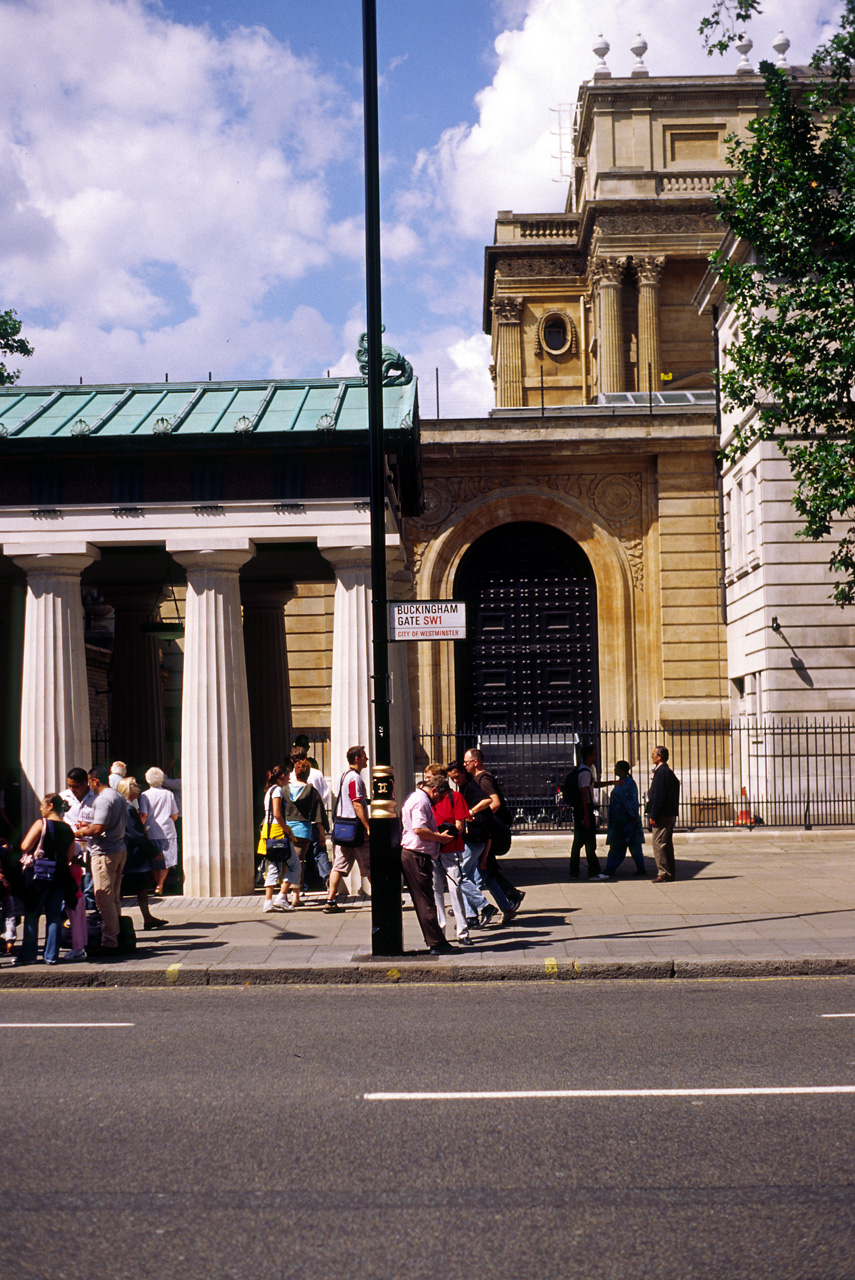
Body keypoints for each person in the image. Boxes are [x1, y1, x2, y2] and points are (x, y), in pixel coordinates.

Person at [461, 749, 523, 925]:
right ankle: (507, 903)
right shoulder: (476, 780)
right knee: (484, 871)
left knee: (469, 874)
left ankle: (474, 912)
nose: (465, 765)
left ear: (476, 762)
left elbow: (494, 802)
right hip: (484, 832)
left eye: (467, 762)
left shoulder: (483, 779)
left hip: (484, 832)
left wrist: (480, 818)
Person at [14, 794, 76, 966]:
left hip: (39, 875)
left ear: (50, 806)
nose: (40, 809)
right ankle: (51, 955)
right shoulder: (69, 829)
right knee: (54, 916)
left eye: (42, 806)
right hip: (60, 875)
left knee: (32, 913)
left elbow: (25, 846)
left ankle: (28, 954)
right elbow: (69, 857)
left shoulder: (41, 823)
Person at [74, 766, 127, 954]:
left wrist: (80, 831)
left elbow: (98, 830)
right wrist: (89, 826)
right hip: (119, 849)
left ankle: (109, 941)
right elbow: (105, 824)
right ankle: (117, 935)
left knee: (103, 899)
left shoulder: (103, 799)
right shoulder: (118, 796)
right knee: (114, 897)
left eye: (89, 782)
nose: (89, 786)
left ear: (95, 780)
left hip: (104, 852)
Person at [400, 776, 456, 953]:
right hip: (417, 855)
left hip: (416, 854)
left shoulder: (416, 797)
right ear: (434, 791)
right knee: (426, 901)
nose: (439, 802)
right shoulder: (421, 801)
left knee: (425, 900)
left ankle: (437, 940)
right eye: (440, 797)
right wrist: (440, 838)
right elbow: (419, 829)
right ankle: (436, 943)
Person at [424, 766, 475, 947]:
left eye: (430, 777)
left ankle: (462, 930)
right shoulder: (426, 799)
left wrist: (448, 835)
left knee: (455, 888)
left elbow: (460, 824)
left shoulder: (455, 797)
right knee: (436, 890)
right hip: (432, 849)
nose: (427, 780)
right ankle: (440, 929)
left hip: (451, 849)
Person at [323, 745, 371, 914]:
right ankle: (384, 897)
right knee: (370, 864)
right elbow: (356, 803)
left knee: (338, 866)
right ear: (357, 758)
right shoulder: (355, 779)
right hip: (355, 828)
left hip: (343, 829)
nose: (366, 759)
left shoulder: (343, 776)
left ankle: (330, 900)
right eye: (364, 756)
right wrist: (367, 826)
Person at [116, 777, 167, 930]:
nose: (138, 788)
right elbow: (137, 834)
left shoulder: (124, 806)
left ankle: (147, 917)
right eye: (134, 785)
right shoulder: (128, 808)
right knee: (122, 888)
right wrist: (153, 851)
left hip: (130, 854)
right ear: (128, 788)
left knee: (140, 887)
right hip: (132, 855)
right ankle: (116, 918)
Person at [282, 752, 329, 907]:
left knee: (289, 862)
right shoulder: (311, 791)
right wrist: (322, 832)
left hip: (287, 829)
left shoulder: (285, 790)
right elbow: (319, 814)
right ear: (308, 774)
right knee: (299, 863)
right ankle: (294, 896)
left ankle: (290, 894)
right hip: (303, 830)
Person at [257, 765, 299, 913]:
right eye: (287, 775)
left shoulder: (269, 790)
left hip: (268, 831)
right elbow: (277, 814)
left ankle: (268, 901)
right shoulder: (278, 790)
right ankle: (281, 897)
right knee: (295, 865)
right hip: (277, 831)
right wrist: (287, 831)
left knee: (273, 866)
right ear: (282, 776)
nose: (289, 778)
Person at [595, 761, 647, 879]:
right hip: (621, 820)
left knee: (619, 846)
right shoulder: (624, 782)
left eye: (616, 768)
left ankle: (611, 868)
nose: (614, 770)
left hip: (624, 821)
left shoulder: (626, 784)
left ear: (622, 770)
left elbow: (630, 801)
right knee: (632, 845)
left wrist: (633, 816)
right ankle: (640, 867)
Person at [139, 767, 180, 896]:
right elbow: (174, 814)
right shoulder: (168, 794)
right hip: (167, 830)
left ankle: (158, 884)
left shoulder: (145, 795)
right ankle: (160, 884)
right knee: (166, 860)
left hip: (152, 831)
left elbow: (144, 814)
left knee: (155, 860)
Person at [566, 744, 602, 880]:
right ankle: (593, 871)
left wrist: (611, 782)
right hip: (584, 810)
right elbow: (584, 793)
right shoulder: (586, 772)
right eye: (593, 754)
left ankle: (574, 871)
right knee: (589, 843)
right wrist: (586, 815)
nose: (595, 757)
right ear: (588, 756)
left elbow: (593, 785)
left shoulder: (581, 771)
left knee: (578, 842)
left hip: (579, 810)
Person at [647, 744, 680, 882]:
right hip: (667, 813)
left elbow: (659, 796)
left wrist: (653, 815)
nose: (652, 757)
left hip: (662, 814)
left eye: (654, 754)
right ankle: (669, 871)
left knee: (659, 843)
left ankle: (663, 872)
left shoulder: (661, 772)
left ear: (659, 757)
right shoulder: (667, 771)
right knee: (666, 843)